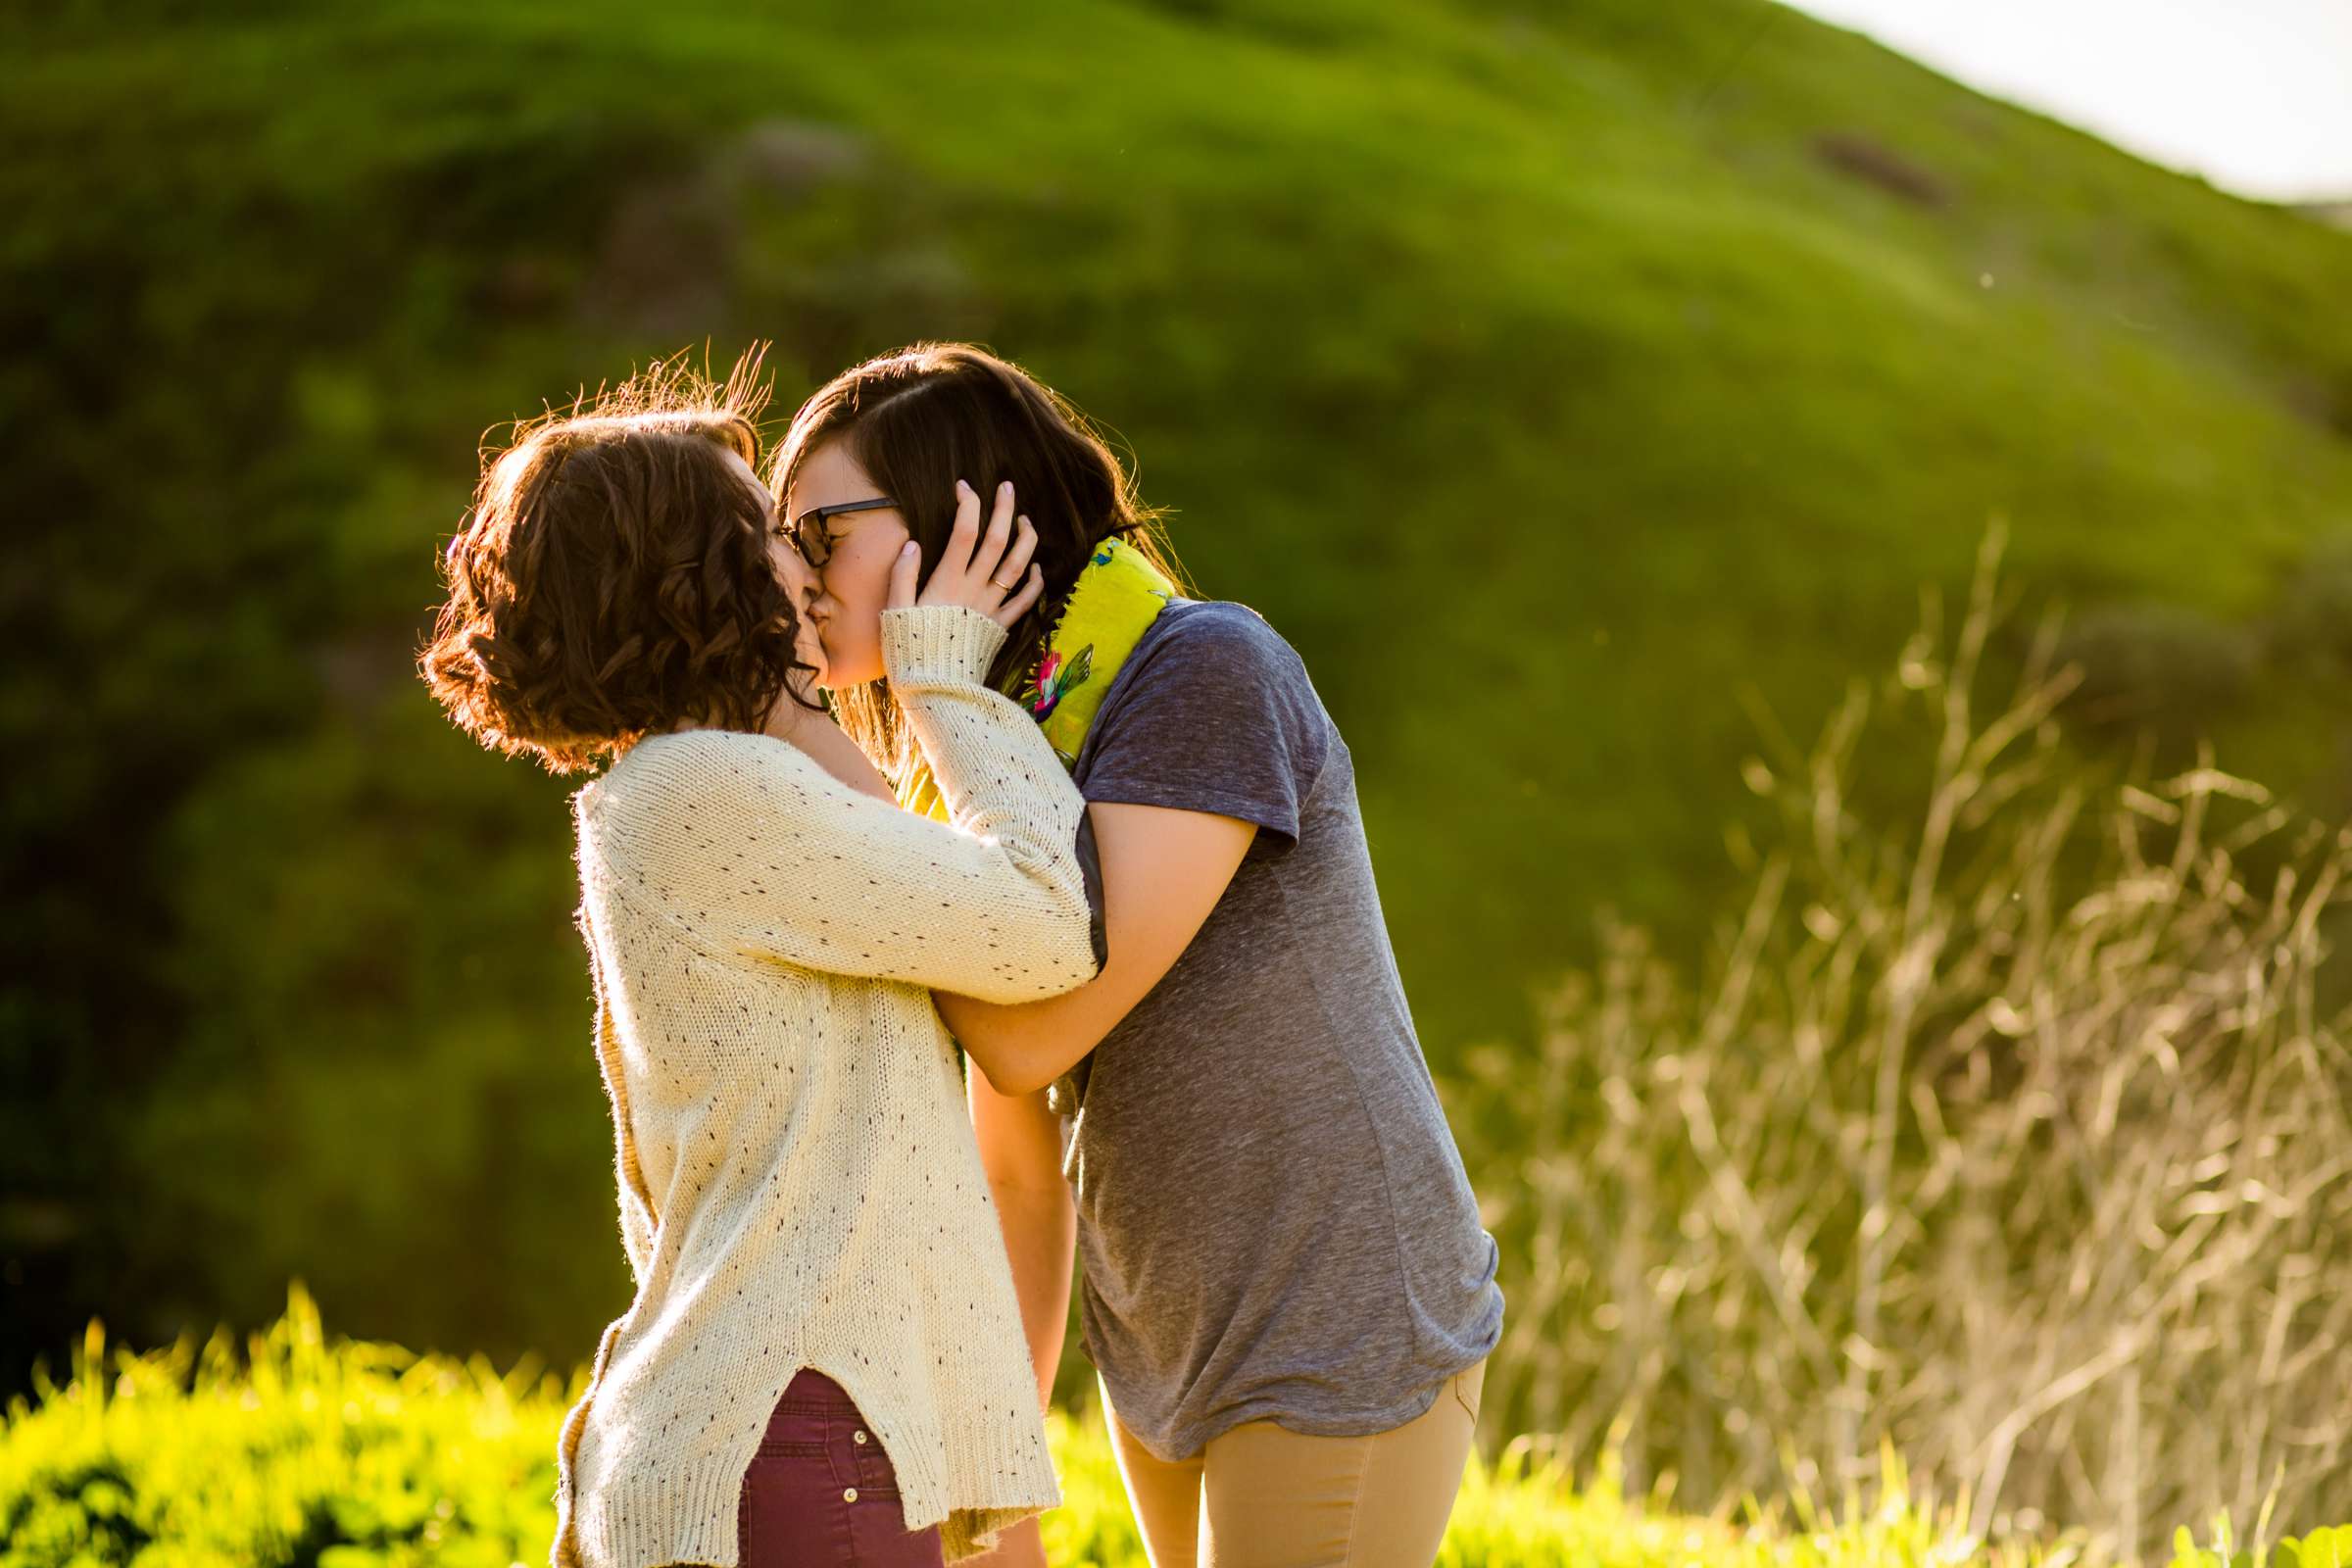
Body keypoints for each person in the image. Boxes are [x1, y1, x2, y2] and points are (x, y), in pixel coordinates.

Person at [771, 342, 1505, 1568]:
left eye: (819, 533)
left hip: (1336, 1316)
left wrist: (936, 699)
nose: (791, 577)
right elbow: (1014, 1164)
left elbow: (1024, 1034)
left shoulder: (1199, 670)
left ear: (959, 521)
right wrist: (991, 1476)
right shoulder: (989, 757)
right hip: (1167, 1339)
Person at [417, 359, 1105, 1568]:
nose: (803, 561)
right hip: (804, 1441)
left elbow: (893, 865)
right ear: (704, 575)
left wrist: (816, 692)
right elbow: (1043, 926)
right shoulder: (714, 795)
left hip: (785, 1434)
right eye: (772, 533)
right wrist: (945, 678)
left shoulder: (694, 790)